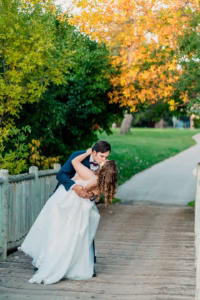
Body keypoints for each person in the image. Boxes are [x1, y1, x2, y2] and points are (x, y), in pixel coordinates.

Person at [18, 142, 118, 285]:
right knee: (56, 232)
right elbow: (61, 175)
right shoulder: (78, 155)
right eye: (102, 156)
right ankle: (45, 261)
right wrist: (74, 186)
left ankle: (81, 264)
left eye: (107, 157)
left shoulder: (99, 171)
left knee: (81, 234)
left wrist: (91, 196)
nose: (104, 160)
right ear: (94, 153)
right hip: (66, 198)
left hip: (82, 206)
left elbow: (96, 193)